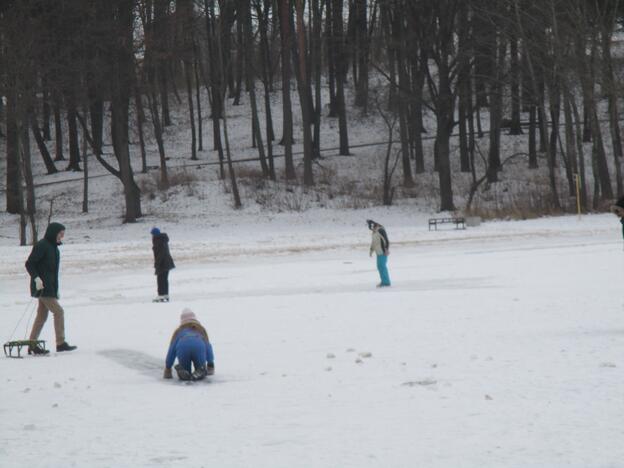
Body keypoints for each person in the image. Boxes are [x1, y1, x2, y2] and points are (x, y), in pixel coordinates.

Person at [24, 222, 77, 355]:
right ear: (53, 233)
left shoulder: (54, 249)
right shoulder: (42, 245)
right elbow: (29, 263)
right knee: (59, 312)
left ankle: (32, 345)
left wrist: (56, 290)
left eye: (63, 234)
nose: (61, 237)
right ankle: (60, 343)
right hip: (42, 287)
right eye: (60, 234)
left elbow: (53, 272)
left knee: (41, 316)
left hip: (49, 288)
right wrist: (36, 279)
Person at [163, 309, 215, 381]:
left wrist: (168, 368)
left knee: (185, 368)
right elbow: (208, 347)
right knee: (200, 365)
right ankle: (201, 370)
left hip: (182, 346)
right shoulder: (200, 330)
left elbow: (171, 350)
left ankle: (183, 371)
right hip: (199, 346)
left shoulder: (179, 331)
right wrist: (210, 364)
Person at [151, 227, 175, 302]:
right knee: (164, 279)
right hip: (166, 262)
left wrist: (157, 263)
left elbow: (160, 254)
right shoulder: (162, 239)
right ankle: (165, 294)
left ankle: (161, 295)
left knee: (161, 279)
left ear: (154, 234)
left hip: (163, 263)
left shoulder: (159, 241)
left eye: (152, 234)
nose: (151, 236)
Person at [367, 219, 391, 288]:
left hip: (383, 252)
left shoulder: (381, 230)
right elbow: (374, 242)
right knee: (380, 266)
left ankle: (386, 282)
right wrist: (371, 250)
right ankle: (384, 281)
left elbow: (386, 240)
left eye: (371, 228)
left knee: (382, 266)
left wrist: (386, 249)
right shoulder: (374, 232)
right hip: (378, 252)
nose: (371, 229)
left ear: (374, 226)